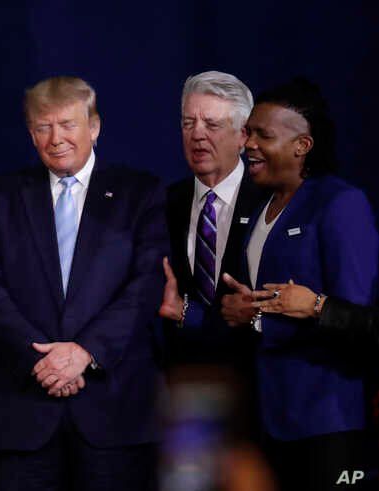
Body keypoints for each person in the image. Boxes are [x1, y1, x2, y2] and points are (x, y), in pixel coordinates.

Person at [0, 76, 168, 490]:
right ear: (30, 134)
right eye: (43, 127)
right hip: (24, 408)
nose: (56, 138)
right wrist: (41, 360)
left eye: (67, 124)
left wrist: (85, 352)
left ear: (93, 127)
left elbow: (146, 285)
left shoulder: (141, 194)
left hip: (113, 409)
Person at [220, 78, 379, 490]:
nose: (248, 144)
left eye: (263, 135)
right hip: (269, 418)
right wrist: (235, 312)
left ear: (302, 146)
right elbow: (262, 307)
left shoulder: (340, 203)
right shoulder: (259, 211)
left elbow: (362, 319)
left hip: (329, 420)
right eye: (247, 132)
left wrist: (317, 306)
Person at [159, 71, 265, 377]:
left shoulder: (269, 203)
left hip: (254, 384)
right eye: (188, 123)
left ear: (243, 136)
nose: (197, 134)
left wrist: (188, 314)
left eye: (212, 124)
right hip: (182, 381)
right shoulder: (164, 203)